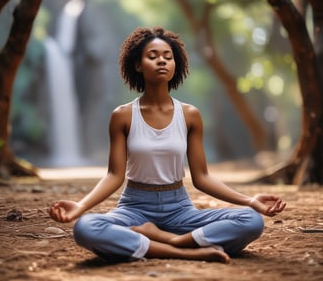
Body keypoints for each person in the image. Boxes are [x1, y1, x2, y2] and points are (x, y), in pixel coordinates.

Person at [49, 26, 286, 264]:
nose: (161, 61)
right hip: (134, 208)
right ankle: (185, 250)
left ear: (176, 65)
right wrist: (80, 207)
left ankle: (169, 240)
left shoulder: (190, 115)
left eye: (167, 56)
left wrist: (249, 201)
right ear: (138, 65)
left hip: (180, 210)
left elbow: (202, 177)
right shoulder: (122, 116)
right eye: (152, 56)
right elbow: (114, 175)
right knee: (86, 228)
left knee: (251, 220)